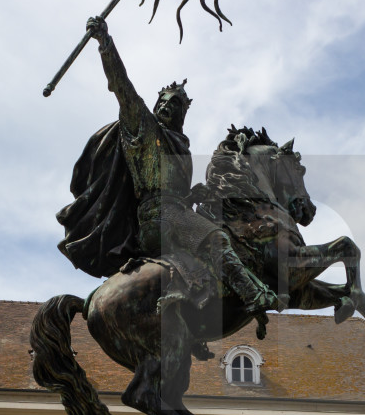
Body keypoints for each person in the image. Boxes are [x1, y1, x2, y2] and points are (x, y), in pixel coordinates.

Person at [55, 16, 280, 317]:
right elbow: (123, 89)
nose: (165, 106)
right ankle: (252, 295)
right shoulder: (146, 129)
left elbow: (166, 188)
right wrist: (106, 45)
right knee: (216, 238)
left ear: (183, 113)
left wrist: (191, 195)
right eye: (163, 101)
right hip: (160, 220)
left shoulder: (179, 146)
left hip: (174, 211)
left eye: (174, 104)